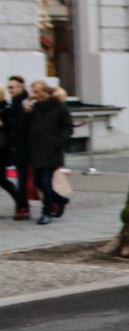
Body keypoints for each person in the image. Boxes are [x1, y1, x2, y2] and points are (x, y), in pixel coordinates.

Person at [25, 80, 71, 225]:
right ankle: (60, 200)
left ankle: (46, 213)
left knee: (46, 182)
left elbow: (67, 128)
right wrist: (26, 110)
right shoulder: (35, 109)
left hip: (51, 151)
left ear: (46, 92)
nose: (36, 95)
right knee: (38, 183)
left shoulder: (59, 108)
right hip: (37, 151)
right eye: (34, 92)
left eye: (38, 92)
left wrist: (58, 142)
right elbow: (24, 126)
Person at [4, 76, 31, 220]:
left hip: (25, 148)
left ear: (21, 87)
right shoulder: (13, 105)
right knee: (24, 180)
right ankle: (22, 207)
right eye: (9, 88)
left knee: (29, 180)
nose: (10, 90)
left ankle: (24, 208)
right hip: (15, 148)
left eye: (12, 87)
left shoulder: (26, 104)